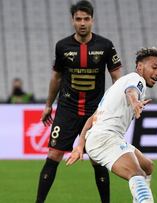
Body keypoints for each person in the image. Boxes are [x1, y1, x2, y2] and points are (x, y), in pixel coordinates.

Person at [36, 1, 122, 203]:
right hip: (67, 110)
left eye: (86, 19)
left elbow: (118, 79)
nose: (82, 23)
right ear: (72, 21)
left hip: (95, 112)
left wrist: (115, 105)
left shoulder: (105, 46)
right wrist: (49, 105)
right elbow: (56, 78)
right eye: (78, 19)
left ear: (92, 20)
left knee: (97, 160)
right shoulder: (62, 46)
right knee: (53, 156)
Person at [66, 47, 157, 203]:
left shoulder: (117, 86)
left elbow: (92, 118)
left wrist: (80, 145)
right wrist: (135, 103)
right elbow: (131, 91)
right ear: (140, 66)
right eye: (154, 67)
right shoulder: (136, 79)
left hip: (102, 137)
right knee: (137, 174)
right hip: (105, 138)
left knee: (147, 167)